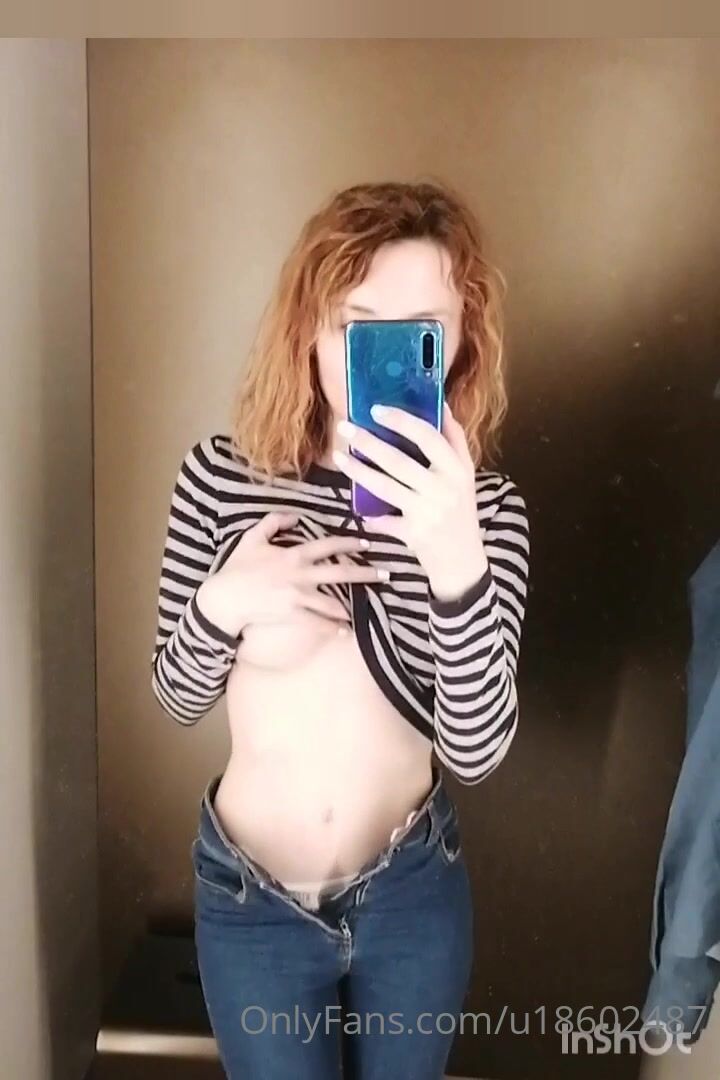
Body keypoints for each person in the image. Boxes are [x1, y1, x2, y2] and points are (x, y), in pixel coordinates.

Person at [150, 179, 531, 1079]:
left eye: (419, 331)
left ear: (462, 340)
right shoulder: (219, 478)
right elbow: (175, 696)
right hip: (252, 904)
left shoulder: (486, 511)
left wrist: (454, 558)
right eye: (358, 327)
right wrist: (225, 604)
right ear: (309, 330)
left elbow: (477, 751)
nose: (382, 357)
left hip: (411, 896)